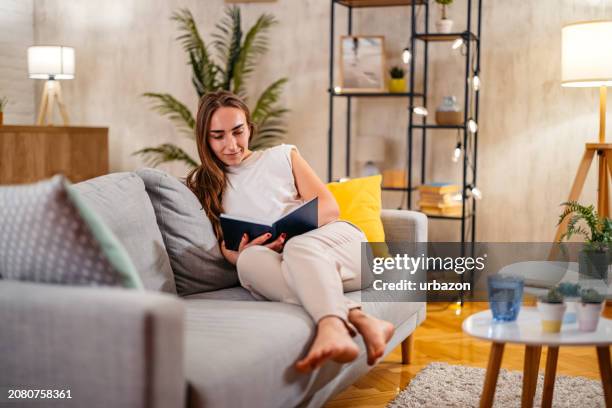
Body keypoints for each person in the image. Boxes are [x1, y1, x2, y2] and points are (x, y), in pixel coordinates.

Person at [186, 90, 394, 373]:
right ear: (205, 138)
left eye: (238, 131)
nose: (232, 144)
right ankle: (361, 320)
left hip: (340, 249)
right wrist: (241, 255)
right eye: (218, 136)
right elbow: (227, 247)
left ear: (249, 127)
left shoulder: (283, 155)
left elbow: (329, 208)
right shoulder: (207, 186)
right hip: (294, 270)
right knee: (249, 262)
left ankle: (332, 324)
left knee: (298, 248)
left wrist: (289, 238)